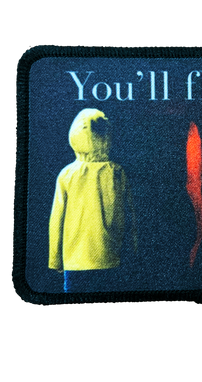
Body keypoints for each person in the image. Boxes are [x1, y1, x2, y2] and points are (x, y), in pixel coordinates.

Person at [48, 108, 137, 292]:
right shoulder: (117, 172)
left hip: (74, 262)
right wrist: (133, 250)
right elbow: (130, 217)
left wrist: (55, 260)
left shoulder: (66, 175)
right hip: (111, 258)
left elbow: (56, 221)